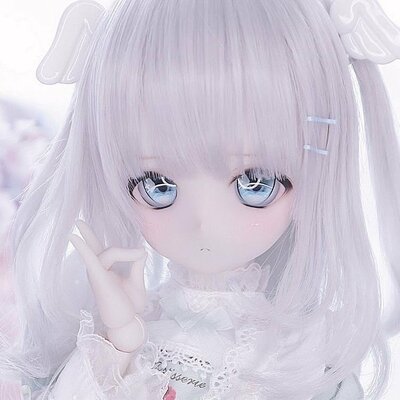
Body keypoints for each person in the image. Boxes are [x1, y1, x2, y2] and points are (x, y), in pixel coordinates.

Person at [1, 0, 400, 398]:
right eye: (158, 185)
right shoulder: (130, 332)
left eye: (255, 183)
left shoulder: (303, 356)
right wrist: (117, 343)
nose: (203, 223)